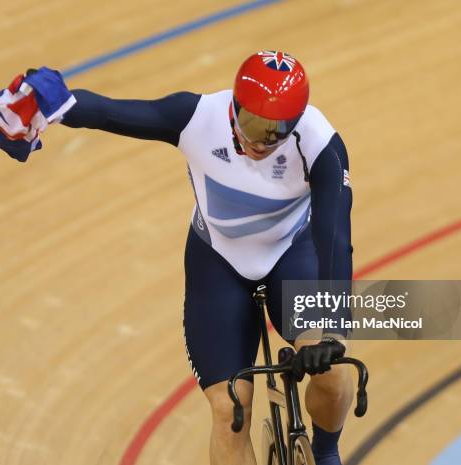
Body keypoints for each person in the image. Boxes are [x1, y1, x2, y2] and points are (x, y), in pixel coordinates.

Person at [42, 50, 353, 465]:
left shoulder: (320, 144)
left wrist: (331, 335)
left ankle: (326, 452)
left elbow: (334, 235)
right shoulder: (198, 116)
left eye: (274, 131)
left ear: (295, 123)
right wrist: (54, 103)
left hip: (291, 257)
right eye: (250, 123)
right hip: (219, 265)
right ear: (234, 107)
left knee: (334, 373)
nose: (259, 140)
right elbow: (111, 113)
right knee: (230, 411)